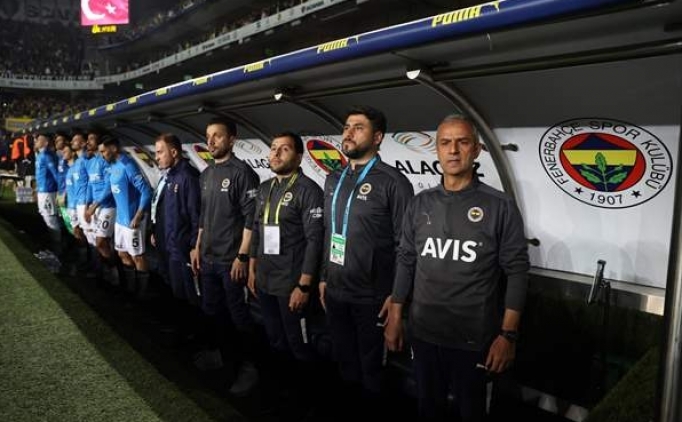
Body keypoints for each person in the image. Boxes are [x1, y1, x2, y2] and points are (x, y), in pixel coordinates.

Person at [384, 115, 530, 422]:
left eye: (462, 142)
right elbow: (406, 259)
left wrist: (508, 335)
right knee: (428, 408)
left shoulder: (499, 206)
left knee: (471, 413)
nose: (453, 150)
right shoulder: (419, 203)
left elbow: (517, 271)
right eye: (445, 143)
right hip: (424, 334)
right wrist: (395, 316)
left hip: (474, 341)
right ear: (437, 150)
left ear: (476, 149)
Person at [319, 106, 414, 406]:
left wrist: (397, 297)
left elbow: (406, 245)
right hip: (335, 291)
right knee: (343, 361)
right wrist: (323, 276)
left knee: (372, 371)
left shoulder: (393, 182)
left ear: (377, 137)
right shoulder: (333, 178)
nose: (348, 133)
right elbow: (328, 231)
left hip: (373, 298)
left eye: (358, 127)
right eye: (347, 126)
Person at [247, 131, 324, 390]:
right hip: (265, 280)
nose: (276, 153)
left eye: (285, 149)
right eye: (273, 148)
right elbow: (257, 229)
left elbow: (315, 241)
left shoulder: (309, 190)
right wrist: (252, 266)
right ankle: (283, 388)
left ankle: (308, 394)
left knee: (298, 343)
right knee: (275, 338)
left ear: (299, 157)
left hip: (291, 285)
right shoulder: (265, 188)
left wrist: (303, 285)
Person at [191, 117, 261, 396]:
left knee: (239, 317)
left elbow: (251, 220)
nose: (211, 141)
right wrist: (197, 246)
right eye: (208, 136)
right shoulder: (206, 174)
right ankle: (222, 356)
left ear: (232, 139)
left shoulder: (242, 173)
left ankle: (250, 367)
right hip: (207, 258)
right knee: (212, 311)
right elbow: (203, 216)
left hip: (230, 262)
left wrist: (242, 257)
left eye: (217, 136)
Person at [154, 133, 202, 331]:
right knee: (178, 294)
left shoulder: (188, 177)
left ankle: (197, 335)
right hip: (171, 247)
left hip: (184, 252)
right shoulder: (171, 176)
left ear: (174, 152)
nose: (156, 157)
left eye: (160, 152)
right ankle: (183, 330)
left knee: (192, 298)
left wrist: (193, 247)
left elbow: (196, 217)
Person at [99, 135, 152, 297]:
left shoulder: (128, 165)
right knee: (122, 253)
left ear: (114, 148)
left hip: (132, 220)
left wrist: (138, 215)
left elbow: (146, 191)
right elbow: (112, 189)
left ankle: (142, 295)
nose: (102, 155)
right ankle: (130, 289)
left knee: (138, 256)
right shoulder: (113, 167)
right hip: (120, 220)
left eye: (103, 151)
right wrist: (95, 204)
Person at [34, 132, 62, 252]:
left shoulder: (47, 155)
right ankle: (56, 245)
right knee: (48, 217)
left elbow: (56, 174)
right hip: (42, 191)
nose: (36, 141)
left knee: (51, 219)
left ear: (45, 142)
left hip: (48, 191)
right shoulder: (41, 155)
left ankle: (58, 249)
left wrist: (61, 191)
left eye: (38, 139)